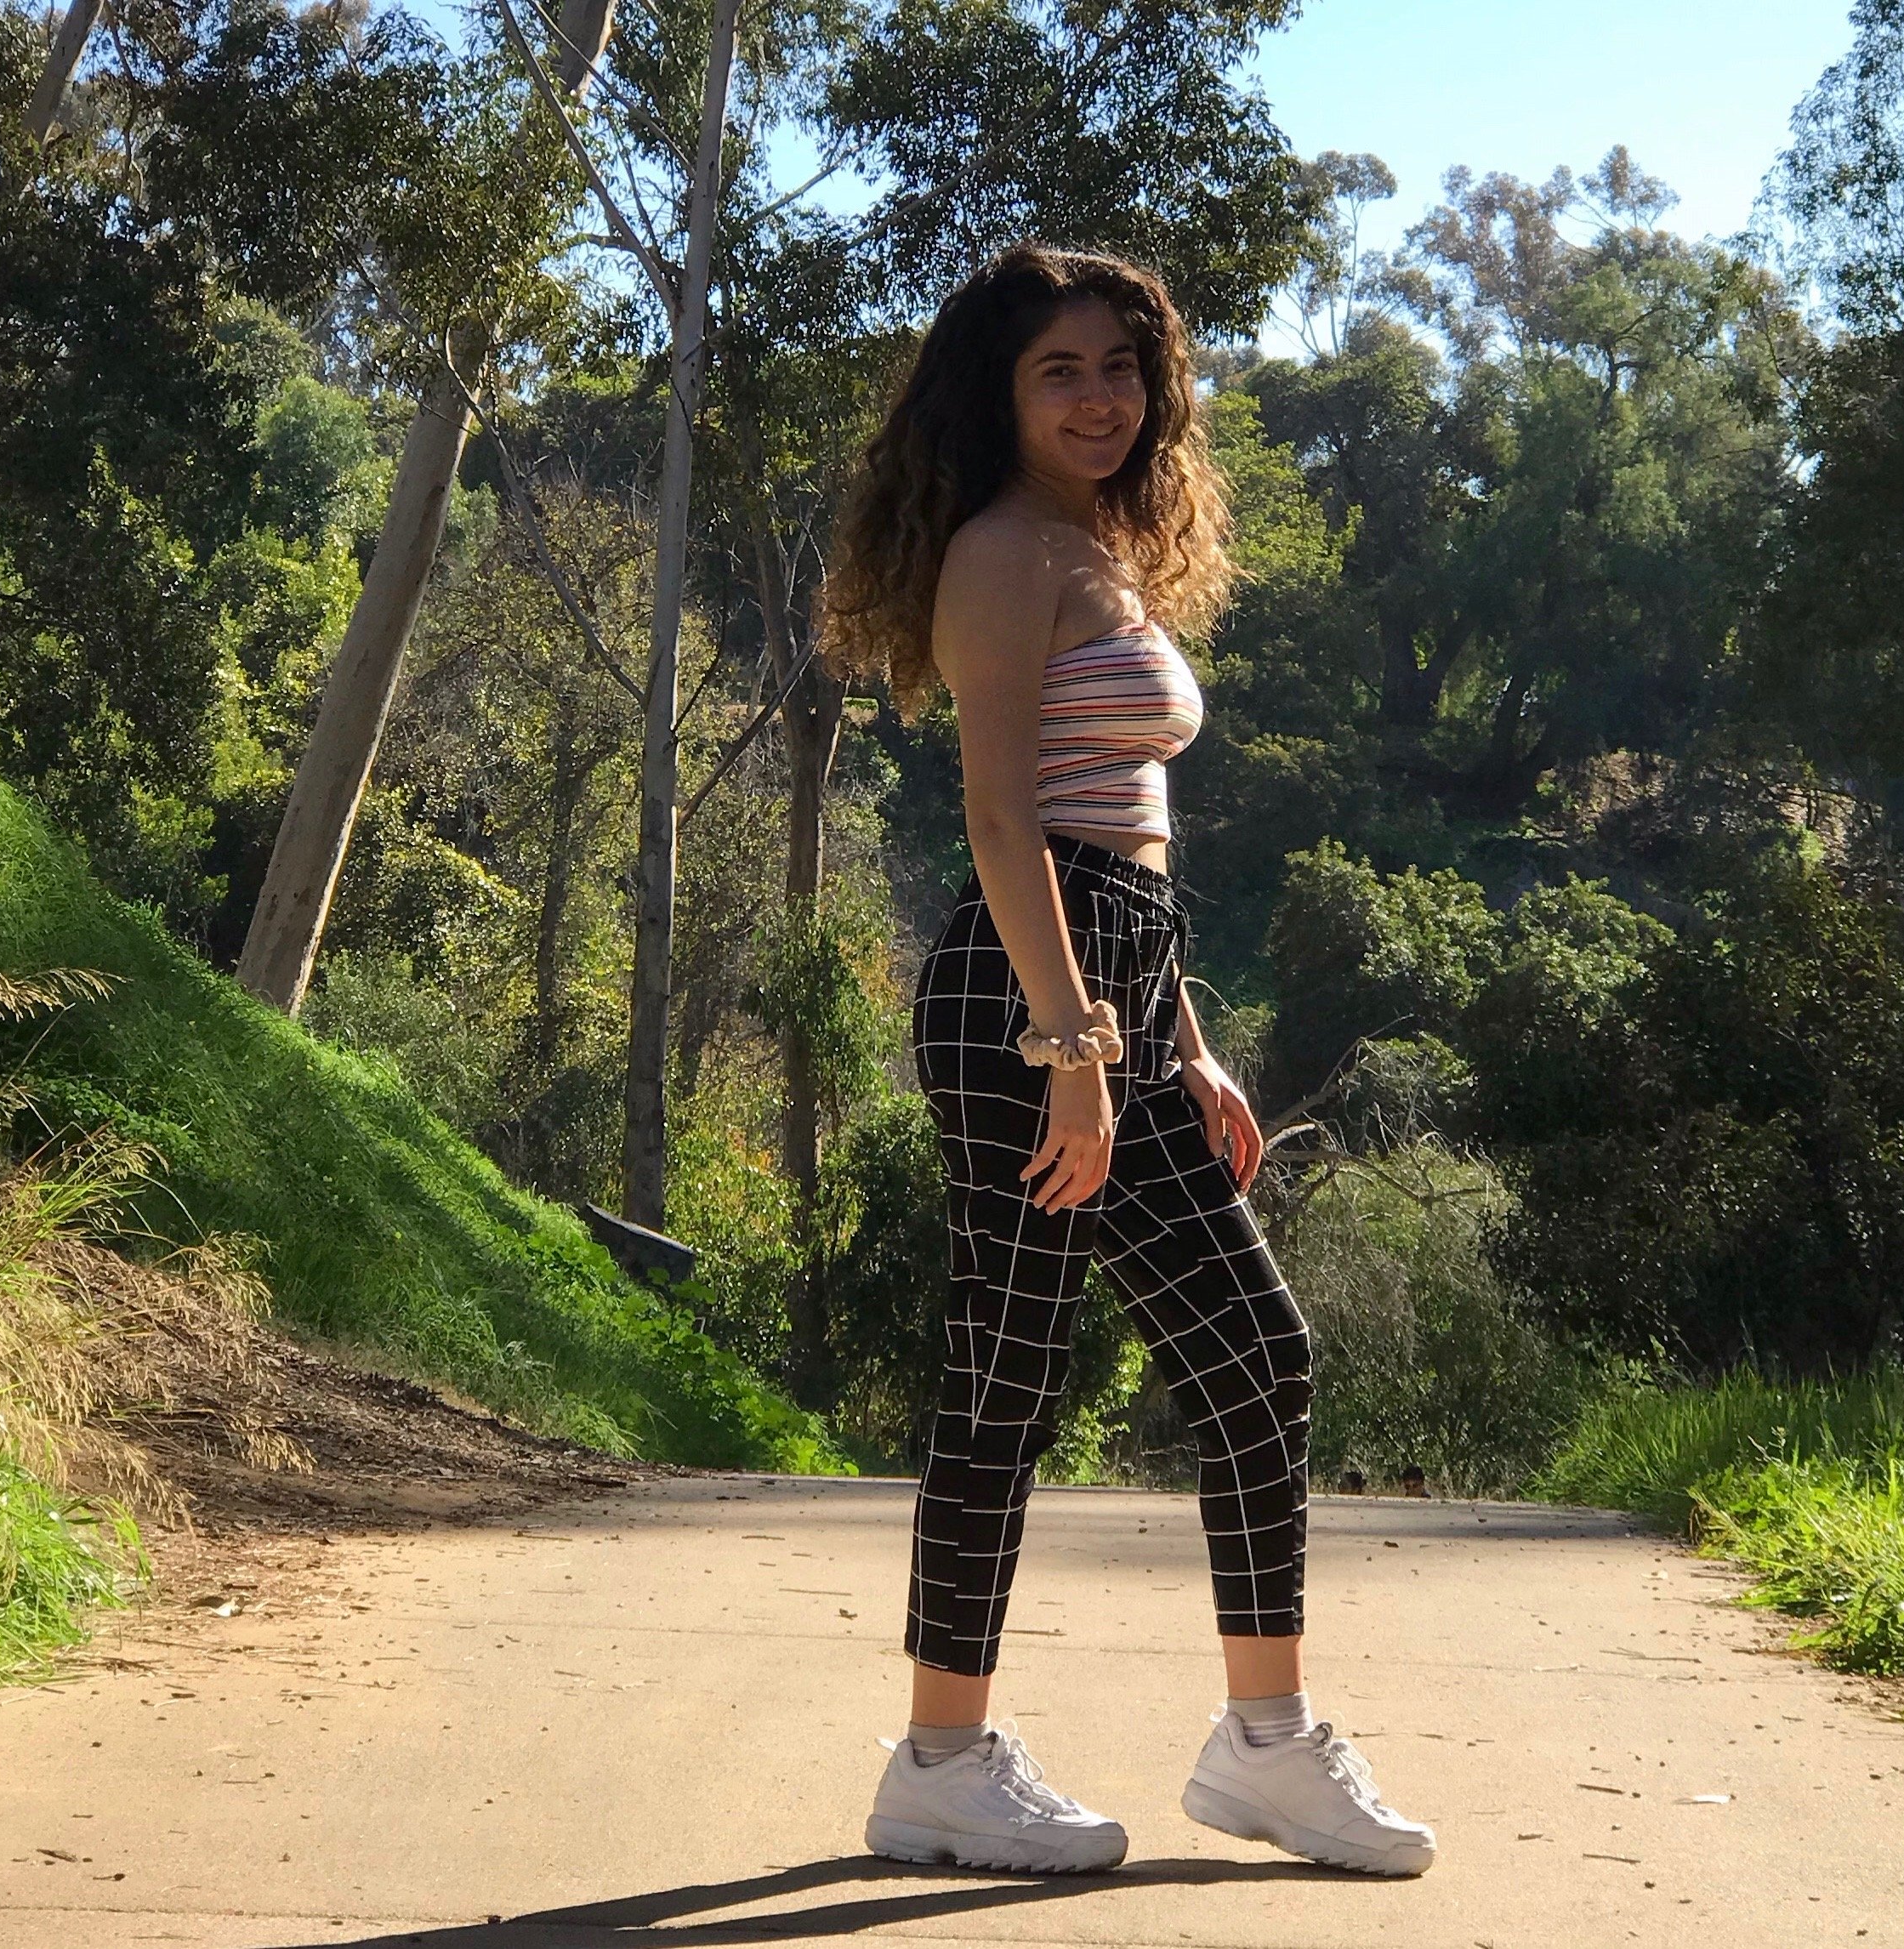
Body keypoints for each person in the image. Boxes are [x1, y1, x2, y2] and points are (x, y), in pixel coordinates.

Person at [816, 241, 1436, 1879]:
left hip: (1118, 987)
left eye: (1119, 368)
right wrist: (1077, 1043)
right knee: (1008, 1380)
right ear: (998, 394)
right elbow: (1007, 816)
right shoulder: (1005, 554)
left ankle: (1264, 1749)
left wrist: (1184, 1035)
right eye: (1058, 372)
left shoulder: (1099, 542)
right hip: (1034, 997)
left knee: (1257, 1362)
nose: (1099, 399)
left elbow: (1130, 832)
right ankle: (940, 1758)